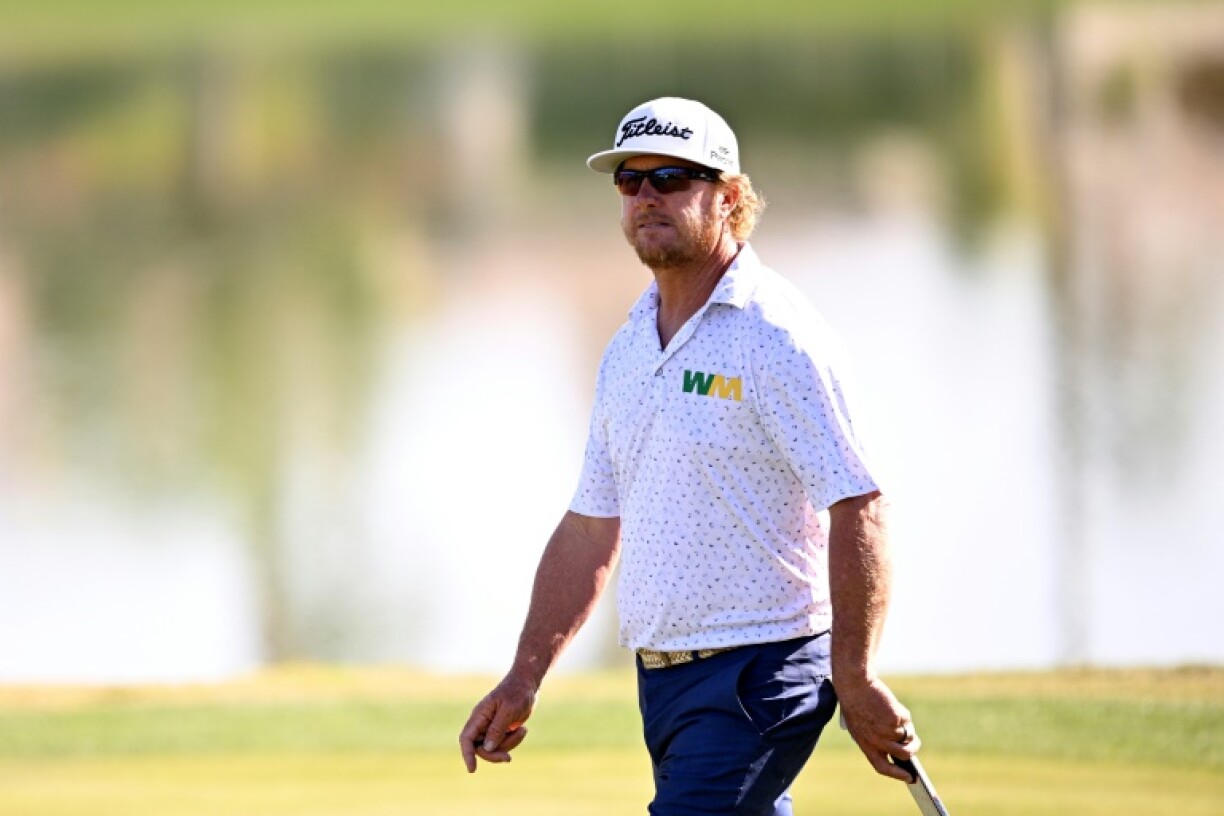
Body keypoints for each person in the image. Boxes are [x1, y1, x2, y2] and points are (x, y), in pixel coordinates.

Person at [458, 96, 920, 816]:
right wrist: (524, 677)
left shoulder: (777, 335)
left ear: (730, 198)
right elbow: (589, 528)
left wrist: (855, 675)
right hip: (663, 681)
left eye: (672, 177)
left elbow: (859, 502)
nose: (646, 195)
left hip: (761, 672)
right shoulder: (628, 348)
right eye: (629, 180)